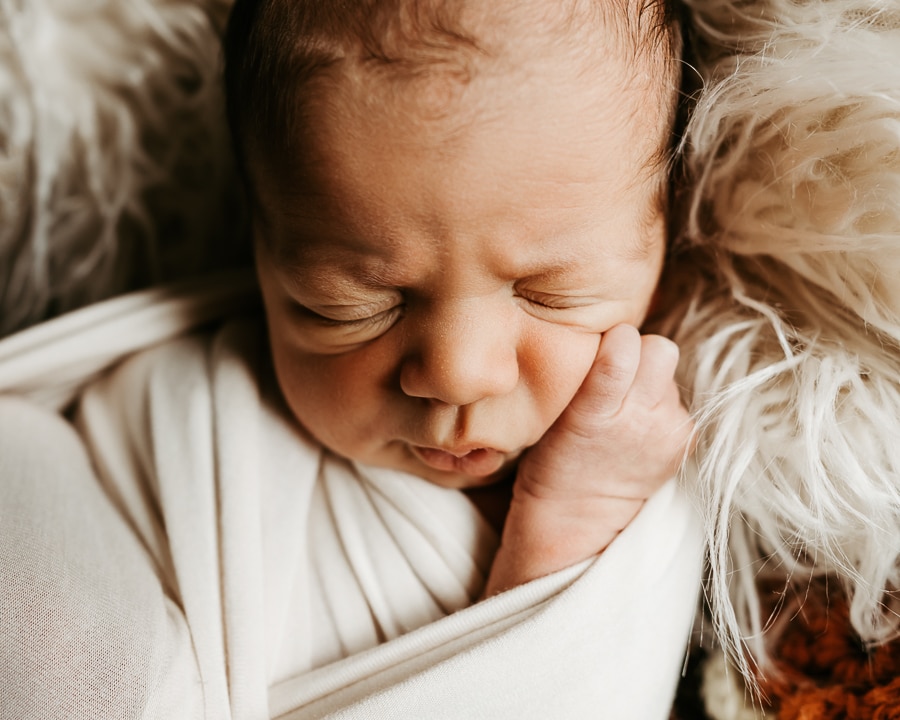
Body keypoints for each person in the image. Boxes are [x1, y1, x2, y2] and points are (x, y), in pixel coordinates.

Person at [0, 0, 703, 717]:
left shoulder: (651, 478)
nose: (458, 373)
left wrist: (570, 530)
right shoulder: (175, 411)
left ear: (669, 245)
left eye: (551, 293)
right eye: (350, 305)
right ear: (263, 256)